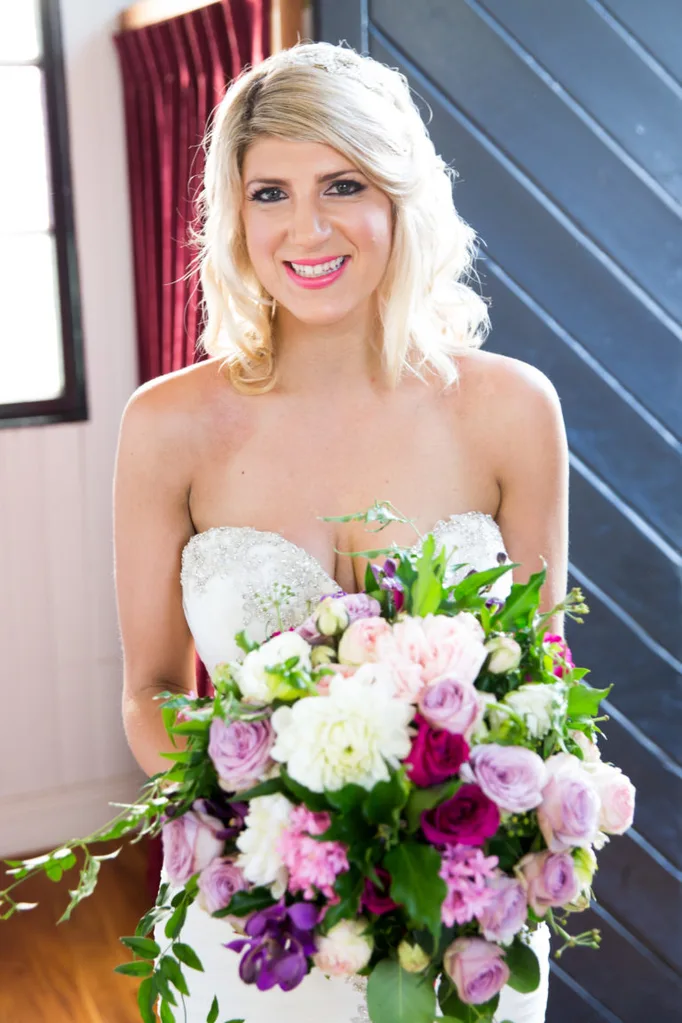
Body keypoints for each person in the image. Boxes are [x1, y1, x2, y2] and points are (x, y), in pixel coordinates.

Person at [114, 41, 567, 1023]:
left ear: (401, 197)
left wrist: (460, 836)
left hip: (460, 924)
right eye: (269, 193)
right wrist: (285, 828)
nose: (305, 228)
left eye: (343, 185)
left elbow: (543, 678)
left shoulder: (513, 410)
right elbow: (148, 691)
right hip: (257, 919)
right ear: (235, 215)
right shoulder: (166, 426)